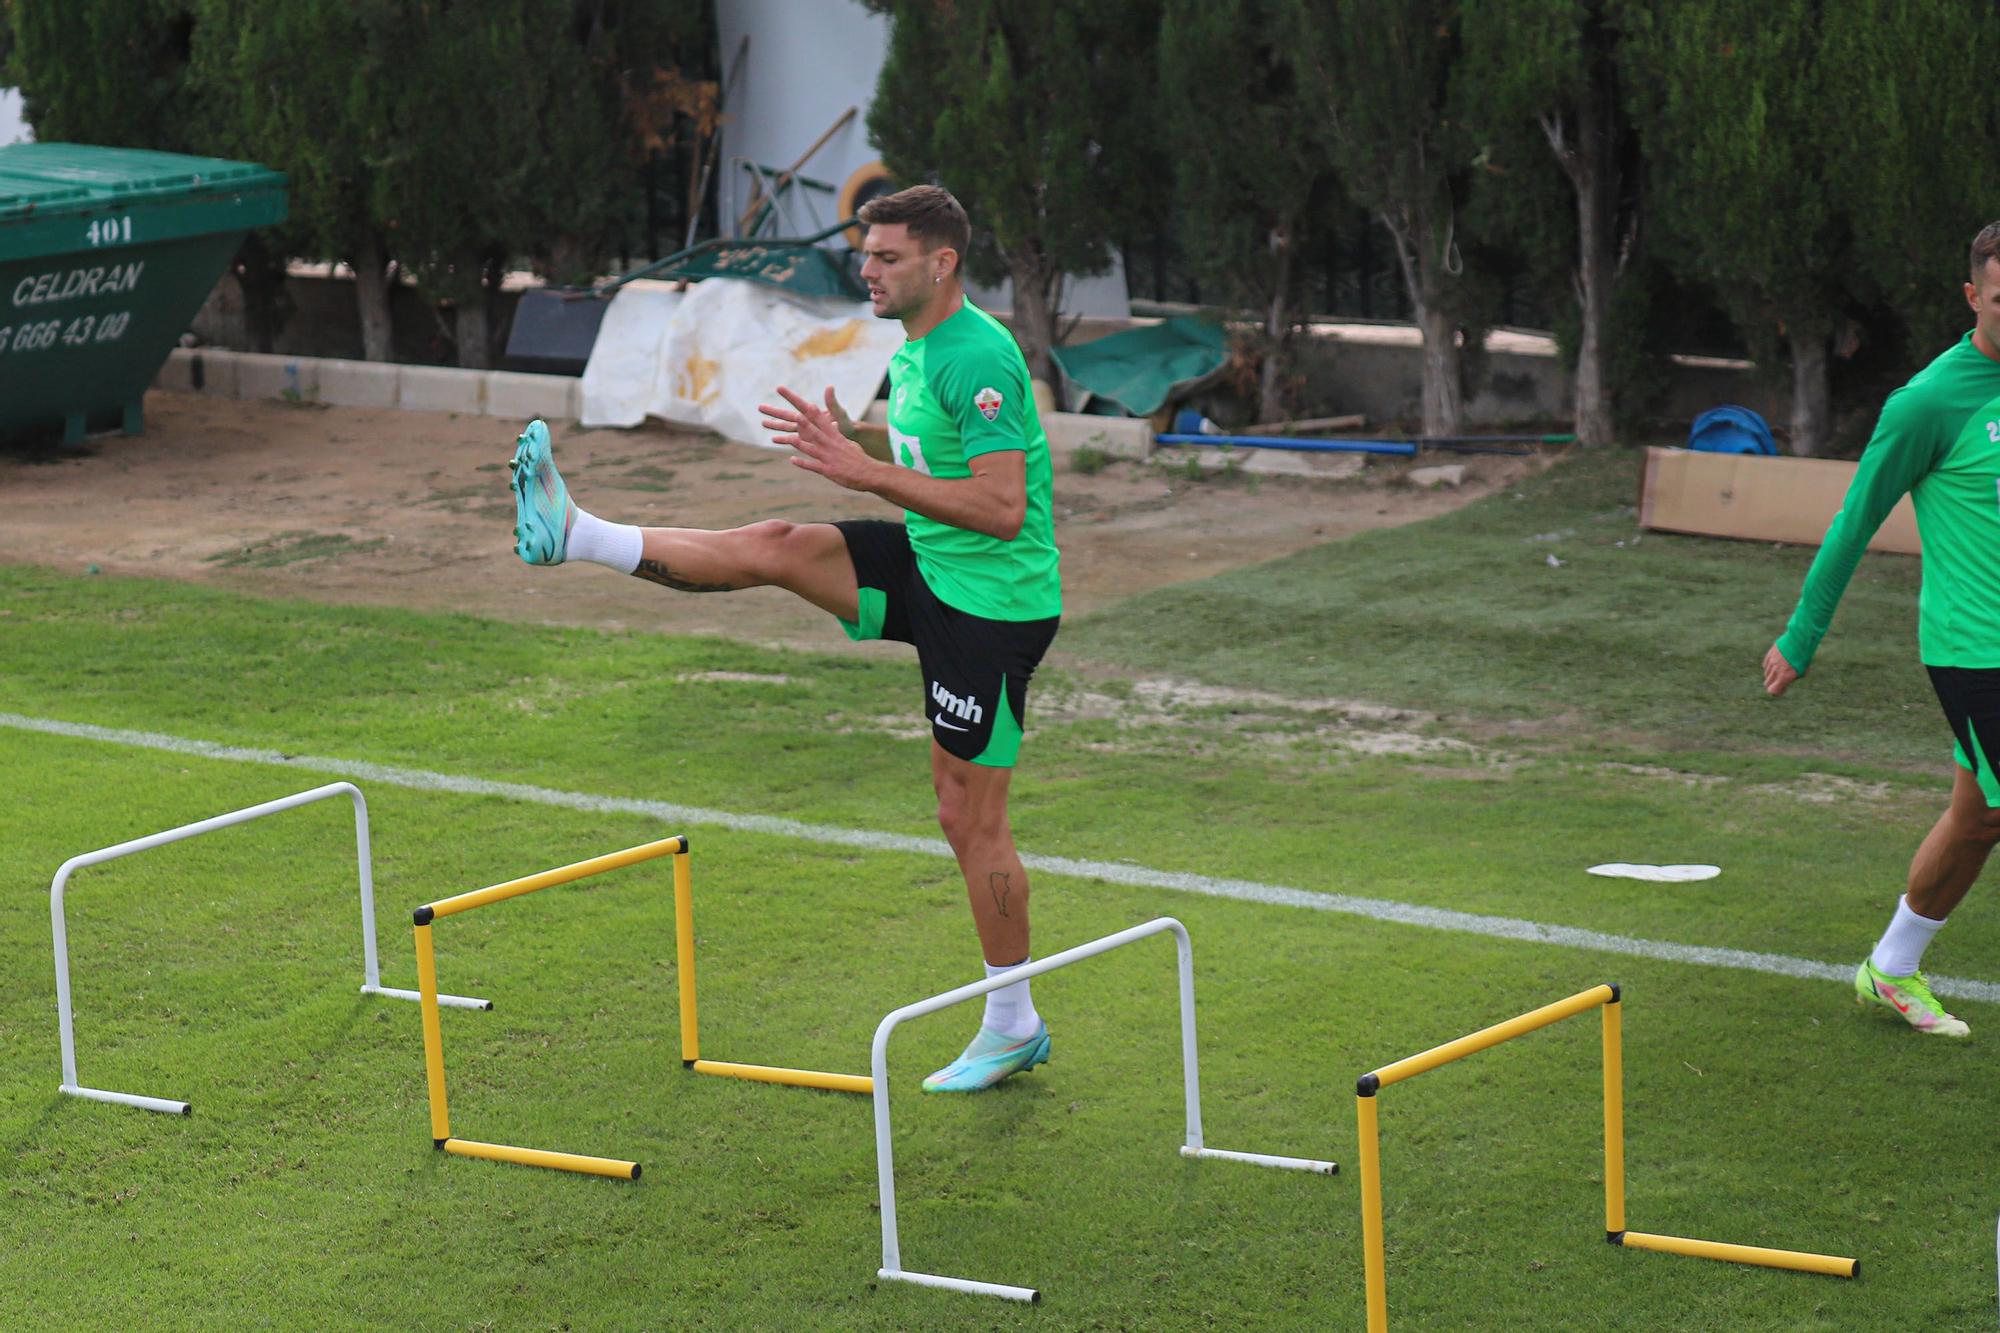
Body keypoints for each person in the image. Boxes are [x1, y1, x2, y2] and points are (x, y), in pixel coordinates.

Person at [507, 184, 1063, 1089]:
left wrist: (864, 474)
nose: (867, 268)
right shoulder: (919, 349)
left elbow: (1004, 509)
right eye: (868, 253)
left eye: (884, 255)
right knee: (776, 545)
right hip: (935, 565)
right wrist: (863, 439)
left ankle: (1013, 1020)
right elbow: (942, 458)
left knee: (971, 815)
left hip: (991, 609)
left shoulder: (976, 356)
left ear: (940, 262)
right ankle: (573, 533)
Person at [1764, 220, 2000, 1038]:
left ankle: (1891, 969)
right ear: (1974, 297)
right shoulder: (1930, 402)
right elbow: (1855, 519)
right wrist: (1802, 635)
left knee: (1979, 816)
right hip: (1975, 648)